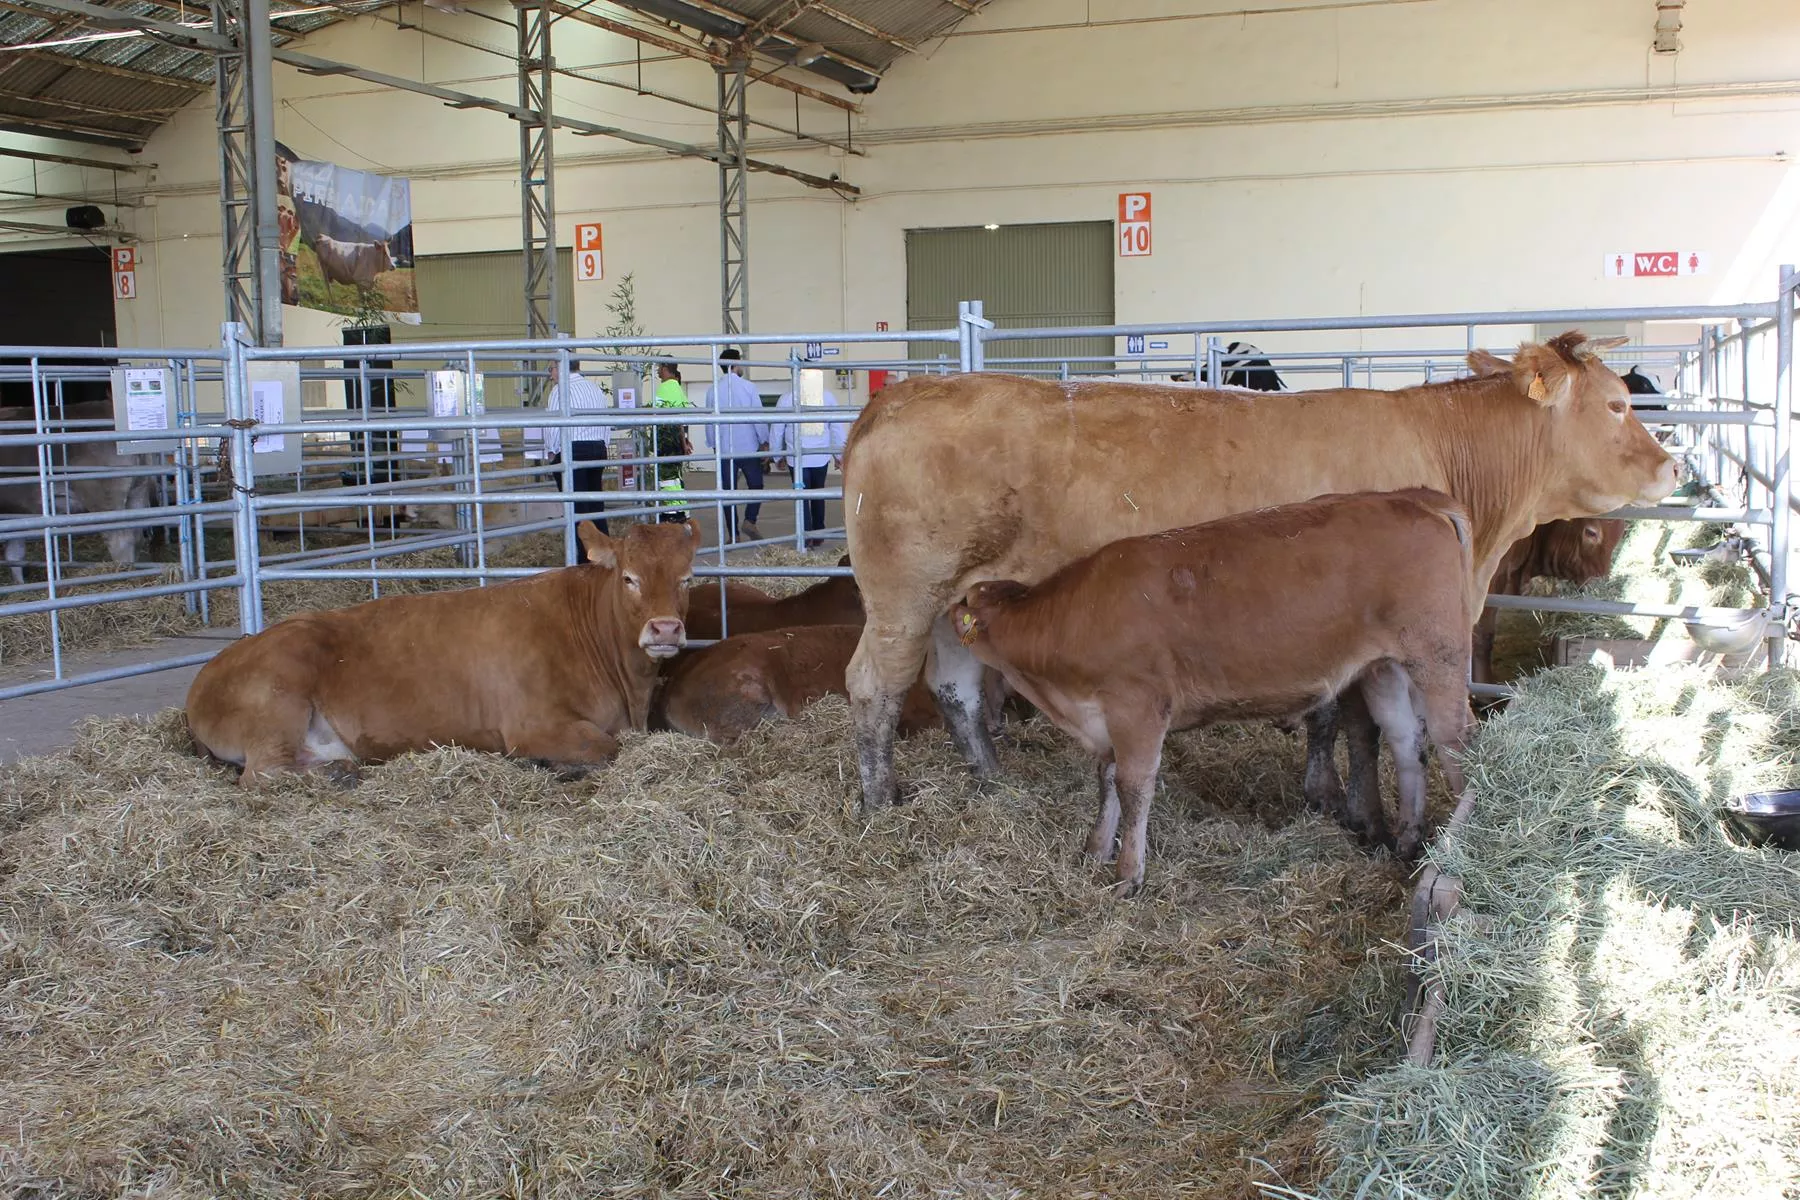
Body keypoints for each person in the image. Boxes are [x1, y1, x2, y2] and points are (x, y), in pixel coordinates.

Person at [772, 372, 848, 549]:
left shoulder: (787, 399)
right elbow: (836, 428)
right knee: (818, 494)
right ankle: (818, 533)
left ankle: (805, 535)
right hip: (820, 456)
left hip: (797, 457)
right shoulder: (827, 397)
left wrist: (777, 455)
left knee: (801, 497)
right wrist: (839, 455)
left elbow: (777, 429)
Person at [703, 348, 770, 542]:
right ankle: (750, 520)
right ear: (735, 364)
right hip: (748, 446)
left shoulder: (713, 390)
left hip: (725, 449)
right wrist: (764, 441)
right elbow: (757, 417)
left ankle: (733, 534)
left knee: (727, 492)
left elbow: (709, 422)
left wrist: (714, 444)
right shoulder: (749, 387)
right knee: (756, 485)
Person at [544, 358, 614, 534]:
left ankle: (583, 550)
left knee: (577, 511)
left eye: (551, 369)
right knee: (595, 506)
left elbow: (553, 425)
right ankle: (603, 548)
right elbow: (606, 421)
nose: (551, 375)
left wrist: (552, 452)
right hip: (598, 449)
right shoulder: (594, 388)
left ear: (561, 367)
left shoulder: (560, 390)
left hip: (573, 451)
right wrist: (604, 444)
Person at [651, 360, 692, 524]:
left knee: (667, 477)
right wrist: (684, 441)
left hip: (666, 440)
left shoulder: (665, 387)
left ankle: (672, 512)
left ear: (665, 368)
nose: (657, 371)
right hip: (675, 440)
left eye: (659, 368)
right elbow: (680, 419)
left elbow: (661, 418)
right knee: (676, 477)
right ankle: (682, 510)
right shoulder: (677, 387)